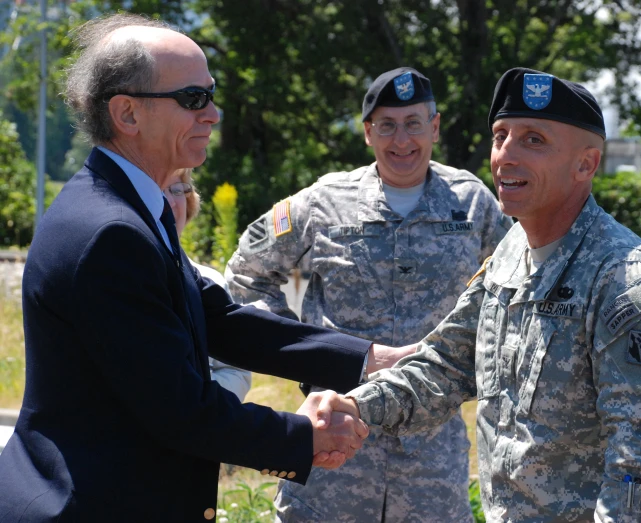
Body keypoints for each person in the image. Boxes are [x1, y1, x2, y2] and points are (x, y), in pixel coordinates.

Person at [0, 14, 410, 521]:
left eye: (211, 96)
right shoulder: (111, 232)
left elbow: (218, 319)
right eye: (194, 99)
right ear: (127, 113)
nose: (213, 114)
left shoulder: (129, 206)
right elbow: (180, 411)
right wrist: (303, 435)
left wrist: (369, 358)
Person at [339, 68, 641, 522]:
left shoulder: (624, 280)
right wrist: (353, 407)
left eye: (534, 141)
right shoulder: (510, 252)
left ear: (586, 164)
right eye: (501, 136)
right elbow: (445, 365)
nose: (506, 155)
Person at [226, 67, 512, 522]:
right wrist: (302, 354)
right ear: (367, 133)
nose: (402, 140)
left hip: (430, 452)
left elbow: (511, 290)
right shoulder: (324, 202)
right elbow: (245, 278)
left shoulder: (472, 203)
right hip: (333, 445)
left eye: (414, 123)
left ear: (434, 127)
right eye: (387, 125)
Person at [165, 169, 252, 401]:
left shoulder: (210, 281)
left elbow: (237, 371)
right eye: (157, 191)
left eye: (177, 190)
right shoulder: (122, 279)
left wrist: (199, 400)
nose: (170, 202)